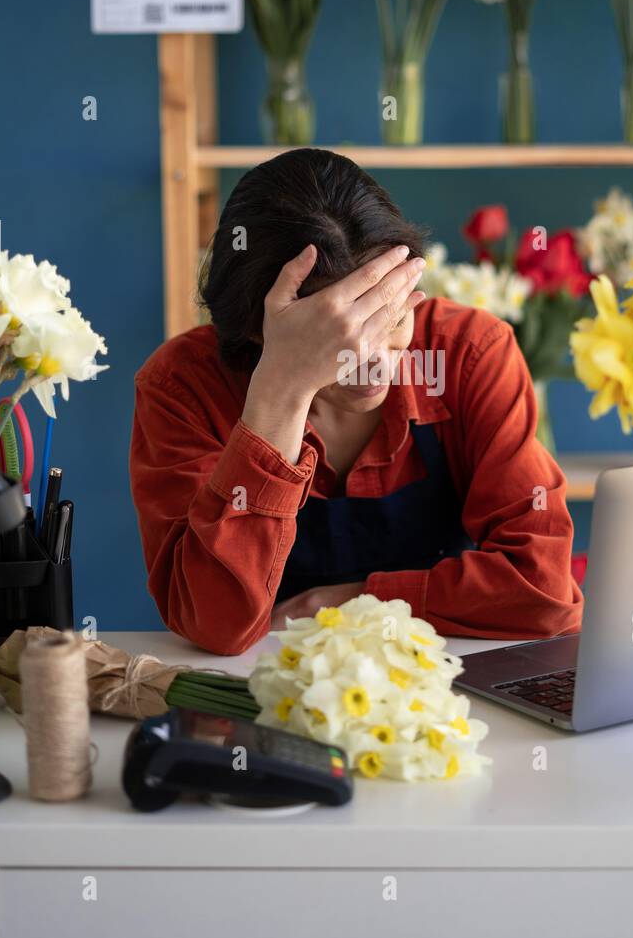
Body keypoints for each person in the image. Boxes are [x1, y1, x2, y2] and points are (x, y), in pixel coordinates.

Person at [130, 149, 582, 655]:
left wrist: (359, 602)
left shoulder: (468, 354)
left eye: (390, 319)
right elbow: (214, 622)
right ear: (259, 326)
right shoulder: (183, 386)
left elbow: (544, 589)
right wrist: (280, 392)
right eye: (337, 337)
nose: (374, 362)